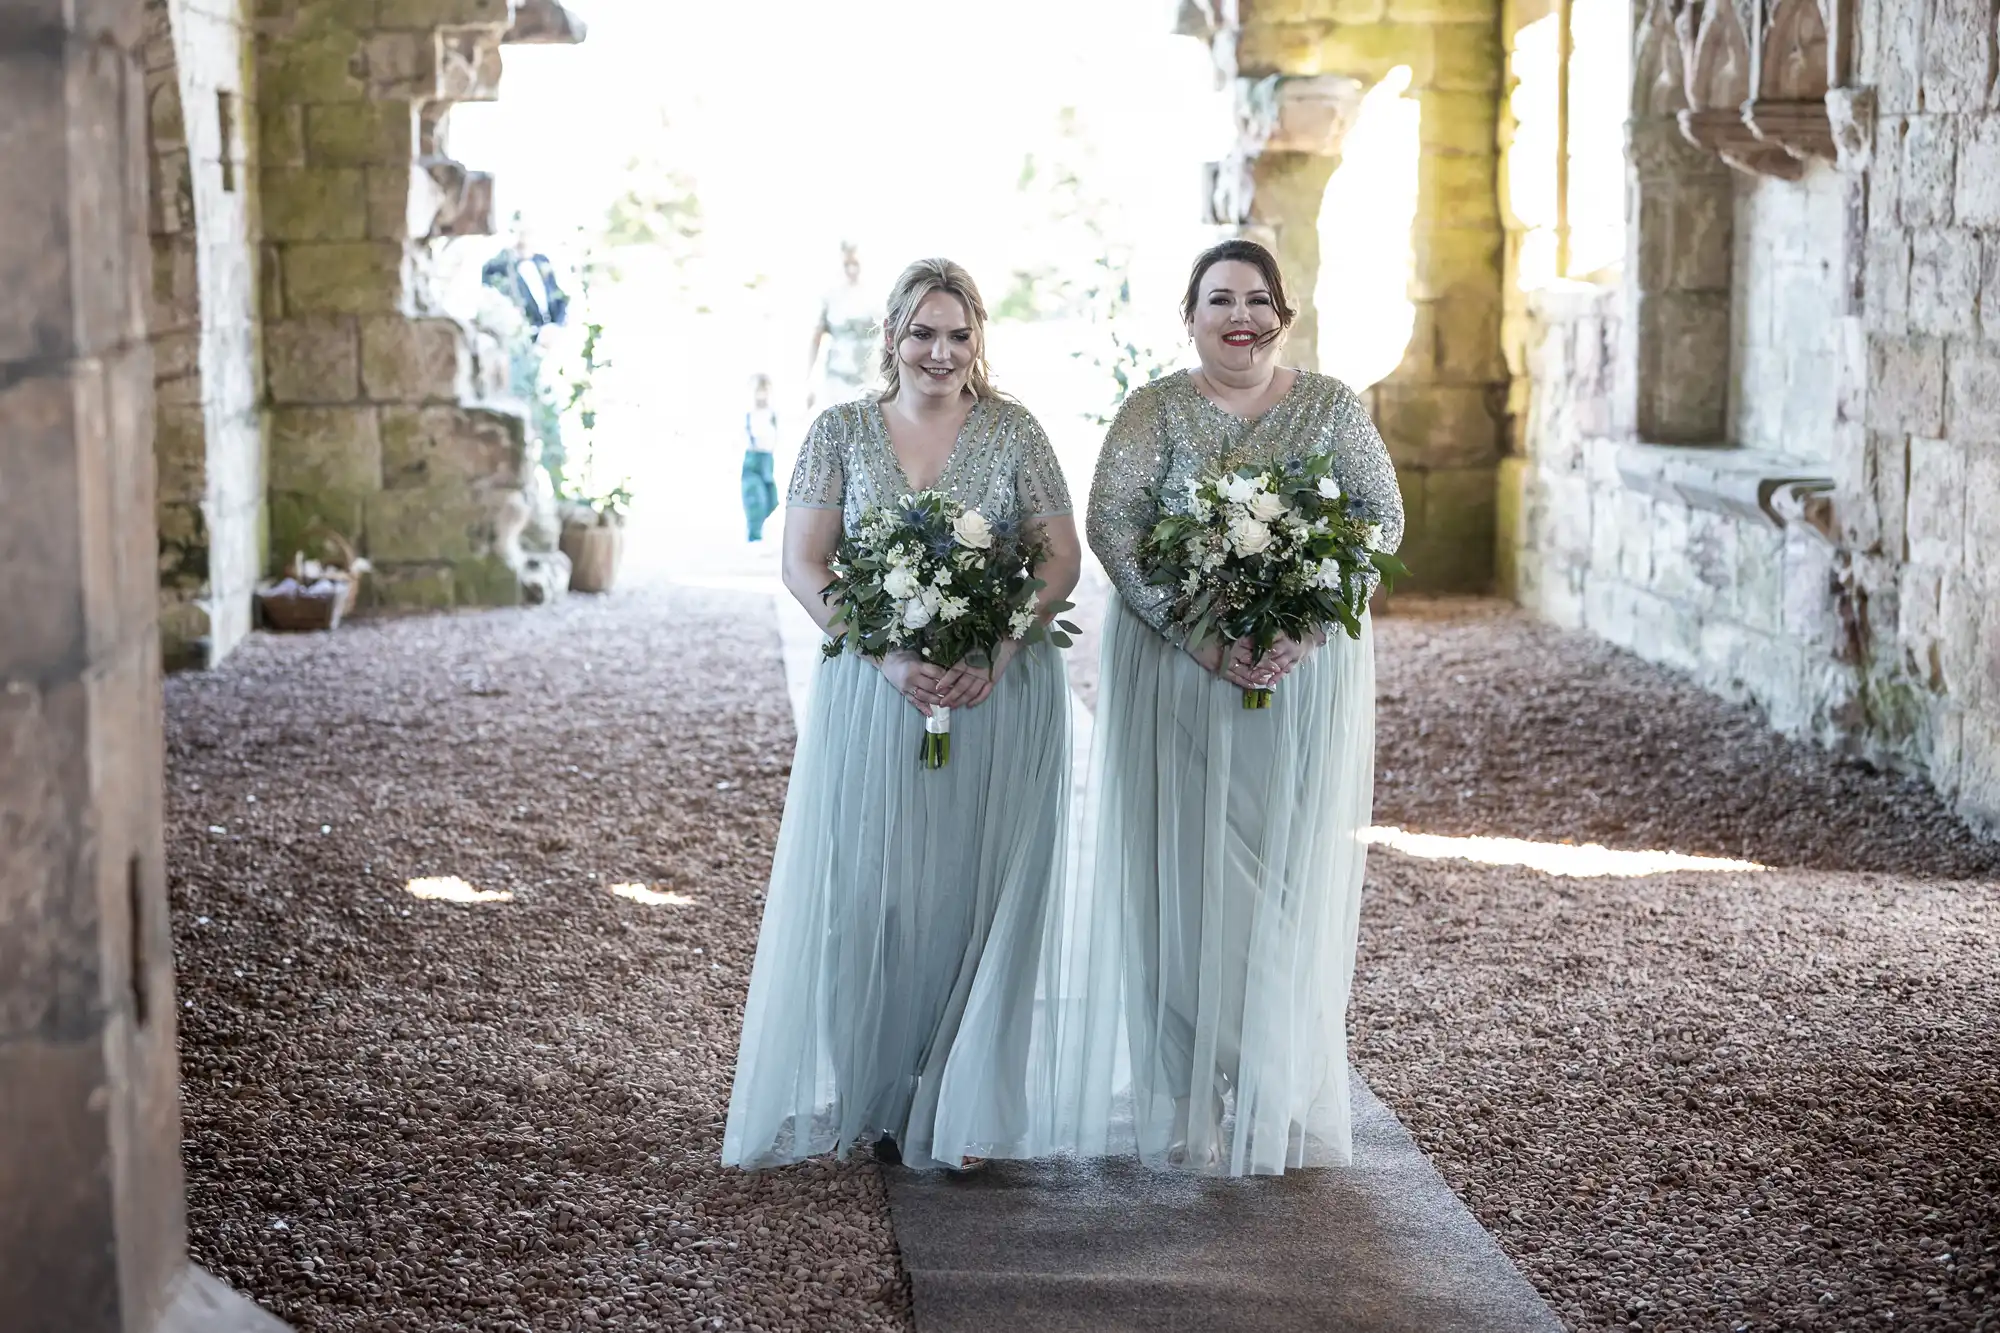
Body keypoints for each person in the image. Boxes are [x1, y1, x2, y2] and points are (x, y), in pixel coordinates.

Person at [1045, 238, 1405, 1176]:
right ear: (1190, 314)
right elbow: (1113, 526)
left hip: (1297, 672)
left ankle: (1273, 1080)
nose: (1239, 316)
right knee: (1181, 866)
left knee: (1280, 868)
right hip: (1178, 670)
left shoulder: (1329, 407)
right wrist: (1192, 631)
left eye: (1256, 300)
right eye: (1220, 300)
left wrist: (1311, 627)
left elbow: (1379, 515)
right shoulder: (1153, 411)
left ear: (1281, 313)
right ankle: (1191, 1090)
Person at [723, 259, 1082, 1172]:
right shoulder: (840, 431)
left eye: (958, 334)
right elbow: (805, 563)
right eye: (923, 332)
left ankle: (961, 1098)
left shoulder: (1016, 431)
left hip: (997, 688)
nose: (940, 350)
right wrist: (888, 656)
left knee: (977, 889)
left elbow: (1059, 561)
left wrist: (994, 647)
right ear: (891, 338)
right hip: (876, 690)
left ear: (978, 341)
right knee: (873, 889)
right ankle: (881, 1089)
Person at [804, 242, 882, 409]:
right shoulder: (829, 296)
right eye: (847, 265)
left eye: (856, 264)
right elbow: (815, 339)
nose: (852, 270)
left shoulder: (878, 296)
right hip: (838, 382)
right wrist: (809, 382)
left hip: (872, 380)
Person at [741, 374, 781, 542]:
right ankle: (754, 536)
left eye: (765, 390)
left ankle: (758, 531)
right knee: (755, 498)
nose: (762, 394)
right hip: (753, 458)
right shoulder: (749, 413)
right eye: (758, 391)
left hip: (767, 459)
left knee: (771, 500)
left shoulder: (772, 413)